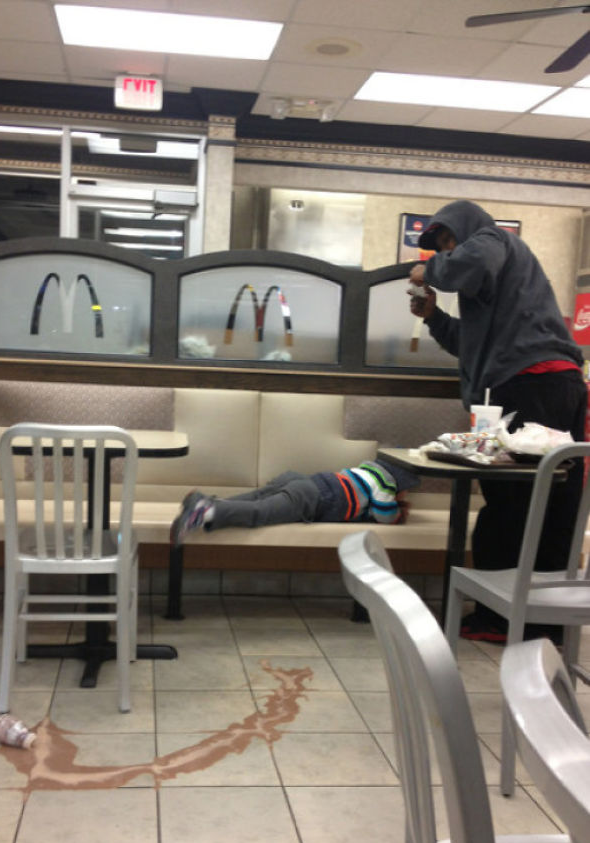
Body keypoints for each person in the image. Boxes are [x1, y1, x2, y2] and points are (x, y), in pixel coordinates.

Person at [409, 199, 587, 644]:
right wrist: (433, 318)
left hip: (532, 386)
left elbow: (467, 262)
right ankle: (540, 620)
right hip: (549, 384)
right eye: (440, 246)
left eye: (449, 240)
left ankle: (507, 618)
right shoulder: (493, 289)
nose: (447, 250)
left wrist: (429, 269)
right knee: (546, 503)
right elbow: (471, 346)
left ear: (468, 229)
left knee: (515, 504)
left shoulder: (494, 239)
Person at [170, 458, 420, 546]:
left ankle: (205, 502)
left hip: (304, 481)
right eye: (407, 492)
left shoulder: (367, 470)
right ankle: (205, 512)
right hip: (313, 497)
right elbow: (385, 516)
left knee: (258, 497)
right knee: (260, 513)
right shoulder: (386, 484)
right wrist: (399, 512)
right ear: (400, 484)